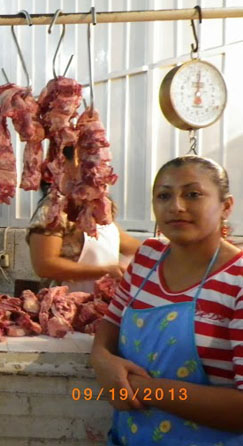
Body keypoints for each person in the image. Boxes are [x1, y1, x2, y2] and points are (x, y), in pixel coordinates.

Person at [91, 155, 243, 445]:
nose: (176, 207)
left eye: (193, 194)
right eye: (163, 195)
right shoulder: (147, 258)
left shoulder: (237, 280)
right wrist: (101, 359)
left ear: (226, 206)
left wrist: (140, 389)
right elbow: (112, 321)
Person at [27, 146, 141, 293]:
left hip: (102, 304)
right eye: (83, 161)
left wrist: (166, 248)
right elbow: (44, 265)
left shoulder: (99, 205)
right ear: (63, 166)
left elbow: (126, 244)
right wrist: (103, 271)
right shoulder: (53, 208)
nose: (92, 167)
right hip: (67, 306)